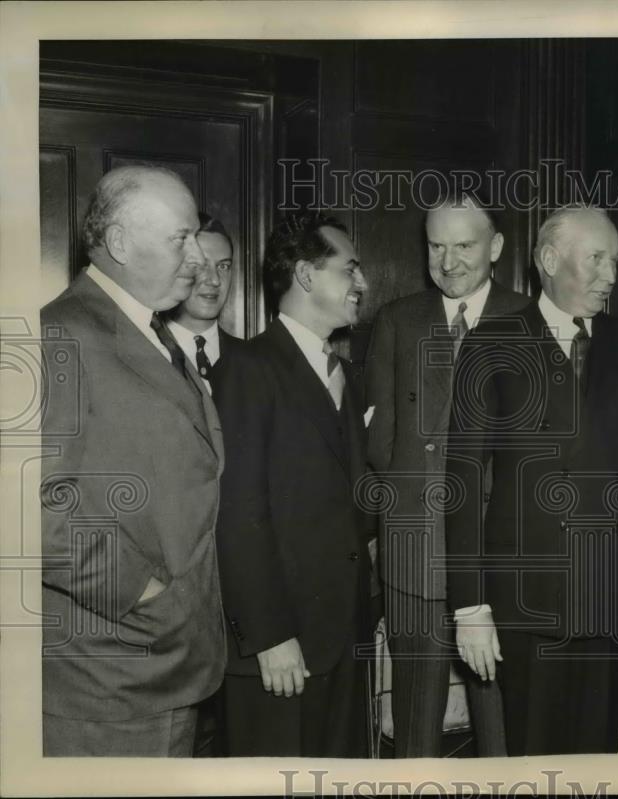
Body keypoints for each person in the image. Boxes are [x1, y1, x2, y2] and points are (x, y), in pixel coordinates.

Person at [444, 205, 618, 755]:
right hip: (528, 605)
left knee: (599, 757)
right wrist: (470, 607)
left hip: (614, 599)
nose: (610, 276)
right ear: (549, 259)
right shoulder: (493, 343)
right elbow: (464, 482)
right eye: (596, 259)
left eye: (615, 261)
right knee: (533, 759)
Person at [40, 165, 225, 756]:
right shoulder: (58, 336)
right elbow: (26, 510)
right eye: (181, 238)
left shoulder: (149, 330)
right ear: (120, 243)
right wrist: (142, 591)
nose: (198, 256)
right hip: (111, 679)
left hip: (160, 664)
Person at [365, 194, 524, 757]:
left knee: (501, 731)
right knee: (415, 732)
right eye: (437, 246)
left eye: (464, 245)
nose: (449, 261)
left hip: (498, 560)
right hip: (415, 556)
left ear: (497, 248)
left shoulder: (529, 320)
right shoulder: (397, 320)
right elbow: (380, 445)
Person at [213, 212, 372, 757]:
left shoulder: (345, 373)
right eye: (350, 268)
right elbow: (236, 513)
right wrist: (269, 635)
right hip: (279, 651)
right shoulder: (246, 369)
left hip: (340, 641)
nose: (362, 283)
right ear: (306, 275)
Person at [167, 213, 242, 391]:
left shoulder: (256, 361)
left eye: (223, 266)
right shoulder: (146, 351)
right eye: (201, 265)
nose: (215, 280)